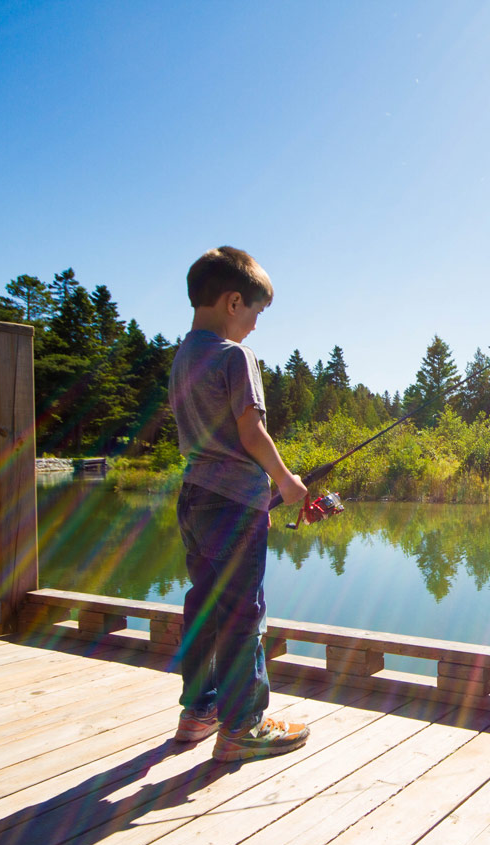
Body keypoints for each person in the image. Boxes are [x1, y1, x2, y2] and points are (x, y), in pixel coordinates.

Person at [168, 246, 310, 762]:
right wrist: (287, 481)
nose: (254, 326)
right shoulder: (235, 356)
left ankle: (198, 711)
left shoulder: (183, 357)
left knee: (205, 604)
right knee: (244, 613)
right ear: (233, 302)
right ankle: (243, 726)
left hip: (196, 497)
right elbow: (252, 432)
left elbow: (216, 440)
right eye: (255, 312)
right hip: (234, 504)